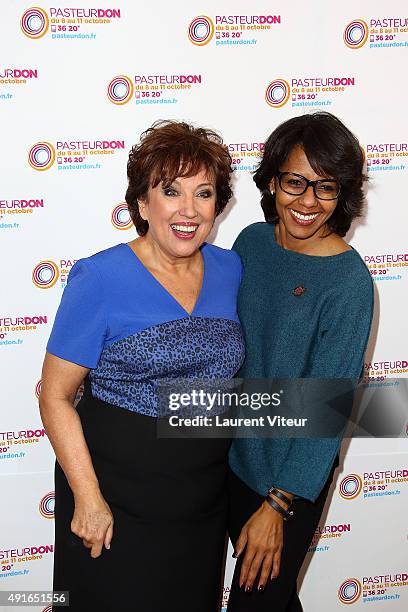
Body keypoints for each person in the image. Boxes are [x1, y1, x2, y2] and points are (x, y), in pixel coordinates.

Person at [39, 120, 245, 612]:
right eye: (170, 191)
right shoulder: (100, 277)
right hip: (113, 501)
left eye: (204, 193)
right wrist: (88, 499)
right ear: (141, 203)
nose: (188, 210)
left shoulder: (231, 269)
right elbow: (55, 395)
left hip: (199, 499)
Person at [227, 112, 373, 611]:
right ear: (272, 181)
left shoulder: (348, 282)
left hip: (287, 482)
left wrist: (278, 503)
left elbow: (329, 407)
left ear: (343, 194)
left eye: (325, 187)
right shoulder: (250, 243)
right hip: (228, 462)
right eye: (296, 182)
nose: (308, 202)